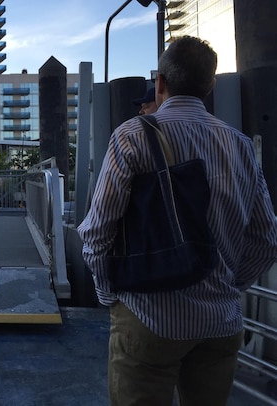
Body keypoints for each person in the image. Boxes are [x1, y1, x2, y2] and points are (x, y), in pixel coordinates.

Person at [77, 36, 277, 405]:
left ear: (160, 83)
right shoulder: (241, 145)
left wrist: (109, 294)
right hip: (221, 325)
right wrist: (228, 285)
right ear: (210, 85)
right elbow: (266, 239)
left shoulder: (132, 136)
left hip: (150, 317)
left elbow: (96, 232)